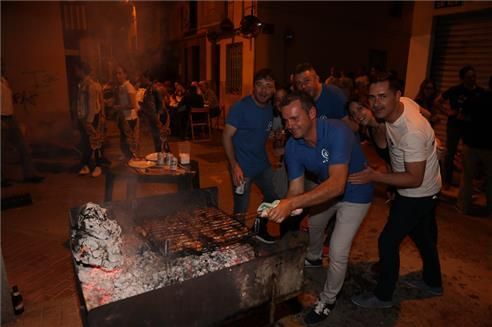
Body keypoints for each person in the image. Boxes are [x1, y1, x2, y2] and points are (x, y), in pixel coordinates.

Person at [266, 92, 373, 324]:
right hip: (328, 188)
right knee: (315, 223)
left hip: (356, 192)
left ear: (312, 113)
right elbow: (295, 188)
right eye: (285, 120)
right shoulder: (293, 146)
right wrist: (284, 206)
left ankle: (328, 299)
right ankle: (313, 258)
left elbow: (337, 185)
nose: (289, 126)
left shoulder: (337, 131)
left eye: (295, 119)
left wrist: (294, 203)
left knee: (337, 250)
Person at [349, 72, 443, 309]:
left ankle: (383, 296)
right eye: (372, 97)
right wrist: (433, 139)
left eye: (383, 96)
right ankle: (433, 283)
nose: (376, 103)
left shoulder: (411, 132)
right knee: (422, 237)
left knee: (387, 242)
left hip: (418, 192)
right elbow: (426, 114)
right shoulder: (408, 104)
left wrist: (376, 176)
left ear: (397, 96)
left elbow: (414, 178)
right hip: (426, 187)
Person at [222, 68, 278, 244]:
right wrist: (234, 165)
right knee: (241, 211)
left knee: (274, 197)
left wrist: (274, 137)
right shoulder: (241, 107)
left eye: (268, 86)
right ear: (253, 87)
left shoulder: (270, 108)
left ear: (274, 89)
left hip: (262, 164)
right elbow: (226, 136)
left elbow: (260, 133)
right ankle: (236, 244)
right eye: (259, 85)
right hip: (242, 168)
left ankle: (260, 227)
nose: (263, 90)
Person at [436, 65, 483, 188]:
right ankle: (447, 181)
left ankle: (469, 183)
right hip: (455, 126)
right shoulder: (455, 90)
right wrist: (447, 112)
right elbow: (437, 101)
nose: (472, 79)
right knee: (450, 153)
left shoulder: (479, 92)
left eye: (474, 76)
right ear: (462, 79)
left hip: (472, 127)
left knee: (471, 154)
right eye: (469, 77)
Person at [1, 67, 44, 186]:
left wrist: (17, 98)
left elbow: (6, 99)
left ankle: (30, 175)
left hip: (10, 117)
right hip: (1, 118)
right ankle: (2, 179)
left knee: (23, 146)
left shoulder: (4, 80)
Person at [457, 74, 492, 216]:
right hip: (490, 146)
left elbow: (462, 116)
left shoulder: (477, 98)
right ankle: (490, 210)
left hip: (471, 143)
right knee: (491, 179)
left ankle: (463, 208)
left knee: (467, 177)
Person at [294, 63, 357, 131]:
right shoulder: (301, 100)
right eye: (299, 83)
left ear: (317, 79)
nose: (303, 86)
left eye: (307, 81)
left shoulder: (334, 95)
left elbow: (353, 127)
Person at [74, 61, 105, 177]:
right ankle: (86, 165)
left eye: (77, 70)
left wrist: (89, 121)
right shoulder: (81, 84)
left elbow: (92, 105)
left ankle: (98, 166)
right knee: (85, 143)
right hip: (83, 118)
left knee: (95, 142)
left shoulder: (91, 85)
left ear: (82, 70)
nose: (75, 72)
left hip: (91, 119)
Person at [113, 65, 139, 160]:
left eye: (120, 73)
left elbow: (132, 105)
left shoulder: (129, 87)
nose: (117, 76)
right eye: (116, 73)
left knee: (129, 140)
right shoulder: (121, 86)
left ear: (125, 74)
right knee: (124, 139)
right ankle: (127, 157)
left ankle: (132, 158)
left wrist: (118, 107)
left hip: (130, 118)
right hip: (124, 117)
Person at [138, 71, 165, 152]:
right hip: (149, 116)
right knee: (154, 136)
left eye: (142, 78)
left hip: (154, 116)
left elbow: (160, 102)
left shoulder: (154, 88)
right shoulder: (147, 89)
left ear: (147, 78)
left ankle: (159, 153)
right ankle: (156, 153)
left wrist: (158, 115)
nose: (141, 80)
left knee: (157, 136)